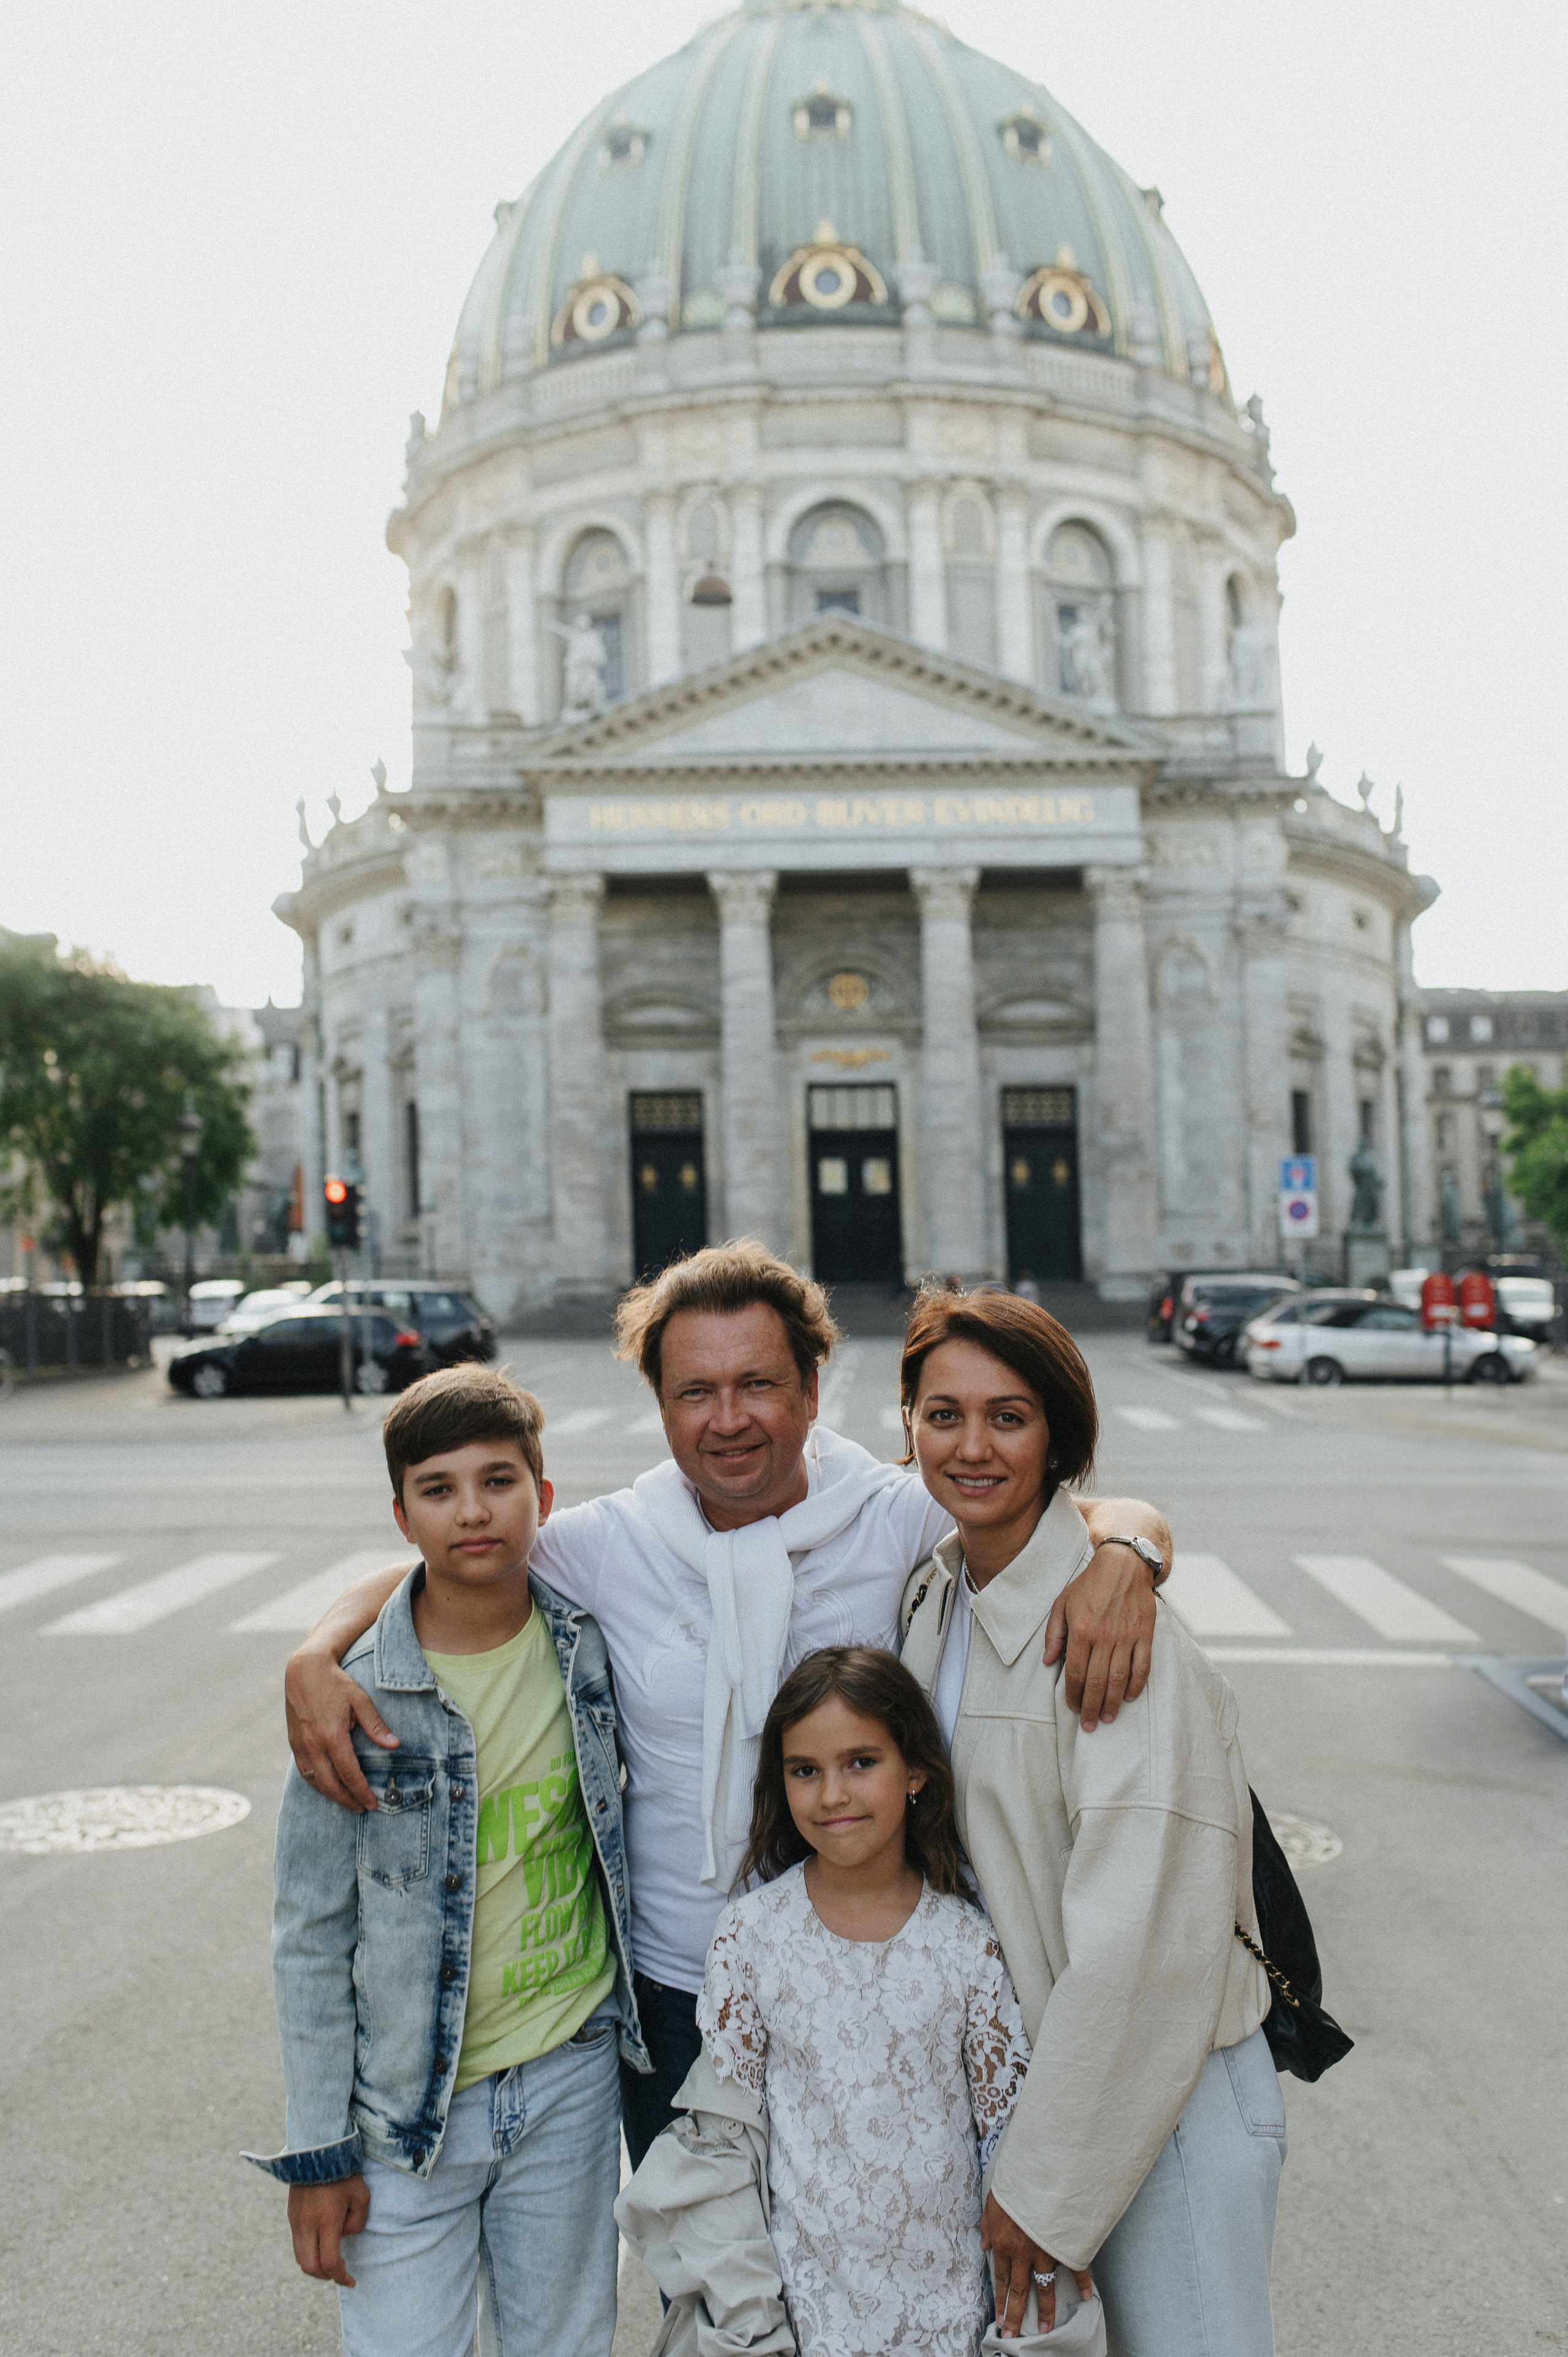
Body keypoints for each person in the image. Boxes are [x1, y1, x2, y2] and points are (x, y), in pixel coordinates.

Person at [284, 1243, 1174, 2169]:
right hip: (680, 1991)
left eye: (758, 1383)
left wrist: (1129, 1555)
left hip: (865, 1969)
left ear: (813, 1390)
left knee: (872, 2262)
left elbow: (1090, 1511)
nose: (729, 1418)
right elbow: (448, 1563)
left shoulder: (891, 1512)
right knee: (703, 2291)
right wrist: (315, 1650)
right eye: (695, 1391)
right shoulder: (612, 1540)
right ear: (662, 1404)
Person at [896, 1287, 1285, 2355]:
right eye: (943, 1414)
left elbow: (1144, 1950)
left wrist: (1044, 2187)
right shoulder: (935, 1596)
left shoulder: (1116, 1641)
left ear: (1059, 1437)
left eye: (1008, 1416)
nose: (971, 1445)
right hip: (1040, 2094)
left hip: (1162, 2104)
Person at [246, 1366, 647, 2357]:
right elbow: (309, 1938)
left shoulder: (588, 1642)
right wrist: (316, 2153)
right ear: (402, 1514)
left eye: (498, 1480)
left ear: (542, 1499)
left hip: (569, 2083)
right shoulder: (358, 1696)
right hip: (406, 2120)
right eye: (439, 1488)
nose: (474, 1510)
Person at [616, 1648, 1102, 2356]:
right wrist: (752, 2323)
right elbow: (724, 2147)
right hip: (807, 2315)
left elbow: (1007, 2133)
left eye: (860, 1762)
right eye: (804, 1770)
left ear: (915, 1772)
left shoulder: (968, 1941)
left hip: (948, 2318)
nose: (832, 1794)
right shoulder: (750, 1936)